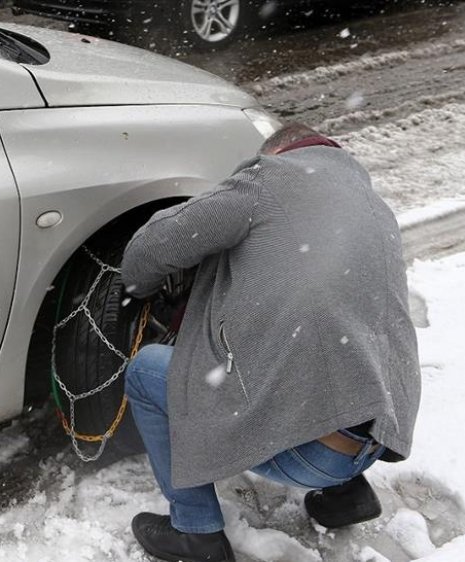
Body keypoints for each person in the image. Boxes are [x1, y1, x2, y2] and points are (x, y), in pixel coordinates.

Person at [119, 123, 421, 562]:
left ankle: (195, 531)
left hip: (309, 453)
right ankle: (346, 494)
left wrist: (139, 286)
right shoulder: (373, 209)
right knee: (337, 339)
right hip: (375, 438)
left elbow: (153, 248)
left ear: (277, 152)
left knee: (146, 372)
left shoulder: (267, 178)